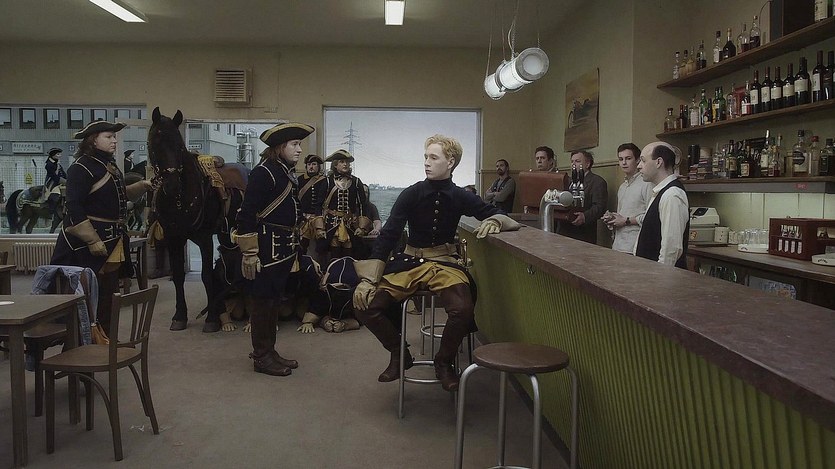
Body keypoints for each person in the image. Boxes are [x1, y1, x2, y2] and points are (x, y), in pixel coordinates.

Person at [352, 134, 520, 392]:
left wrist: (496, 220)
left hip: (444, 262)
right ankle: (399, 353)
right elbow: (389, 234)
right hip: (409, 262)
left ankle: (444, 362)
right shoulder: (412, 193)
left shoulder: (460, 196)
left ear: (450, 162)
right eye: (426, 157)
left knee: (462, 309)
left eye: (433, 157)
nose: (426, 163)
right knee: (365, 305)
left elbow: (497, 212)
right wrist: (368, 278)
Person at [50, 121, 153, 333]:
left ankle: (106, 339)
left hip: (113, 241)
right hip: (87, 245)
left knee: (109, 294)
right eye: (108, 137)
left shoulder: (108, 165)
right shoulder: (80, 167)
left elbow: (119, 194)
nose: (114, 141)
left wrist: (143, 185)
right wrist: (92, 239)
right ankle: (84, 343)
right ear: (93, 140)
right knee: (86, 296)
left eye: (114, 137)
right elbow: (73, 206)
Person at [235, 122, 314, 376]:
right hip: (266, 249)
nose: (299, 150)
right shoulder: (264, 172)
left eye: (299, 144)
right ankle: (261, 357)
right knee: (263, 302)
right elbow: (246, 214)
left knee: (273, 302)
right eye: (295, 144)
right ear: (280, 147)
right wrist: (249, 252)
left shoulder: (282, 171)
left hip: (282, 248)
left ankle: (270, 351)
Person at [634, 141, 690, 268]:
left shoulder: (672, 195)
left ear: (658, 162)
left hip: (661, 276)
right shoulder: (660, 191)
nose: (639, 166)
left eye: (643, 160)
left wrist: (660, 277)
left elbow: (671, 249)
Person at [320, 149, 372, 261]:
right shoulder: (327, 181)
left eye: (347, 162)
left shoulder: (356, 182)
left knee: (349, 254)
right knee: (333, 254)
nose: (345, 164)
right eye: (342, 162)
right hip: (331, 224)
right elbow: (319, 205)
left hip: (350, 224)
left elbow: (362, 205)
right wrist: (320, 228)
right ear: (335, 165)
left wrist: (362, 227)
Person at [603, 143, 653, 253]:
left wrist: (626, 221)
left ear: (637, 160)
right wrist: (612, 218)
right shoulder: (622, 187)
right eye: (621, 159)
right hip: (618, 245)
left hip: (635, 246)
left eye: (628, 158)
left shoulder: (647, 184)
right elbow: (622, 215)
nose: (624, 163)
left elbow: (651, 216)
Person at [557, 150, 608, 244]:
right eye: (572, 161)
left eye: (577, 161)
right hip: (563, 231)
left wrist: (584, 216)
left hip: (583, 234)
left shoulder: (597, 182)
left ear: (587, 164)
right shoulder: (567, 181)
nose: (573, 164)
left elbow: (600, 207)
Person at [298, 154, 327, 253]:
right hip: (304, 218)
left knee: (322, 246)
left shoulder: (324, 180)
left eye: (314, 164)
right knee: (302, 246)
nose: (311, 167)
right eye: (309, 164)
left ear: (318, 167)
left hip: (319, 218)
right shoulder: (300, 180)